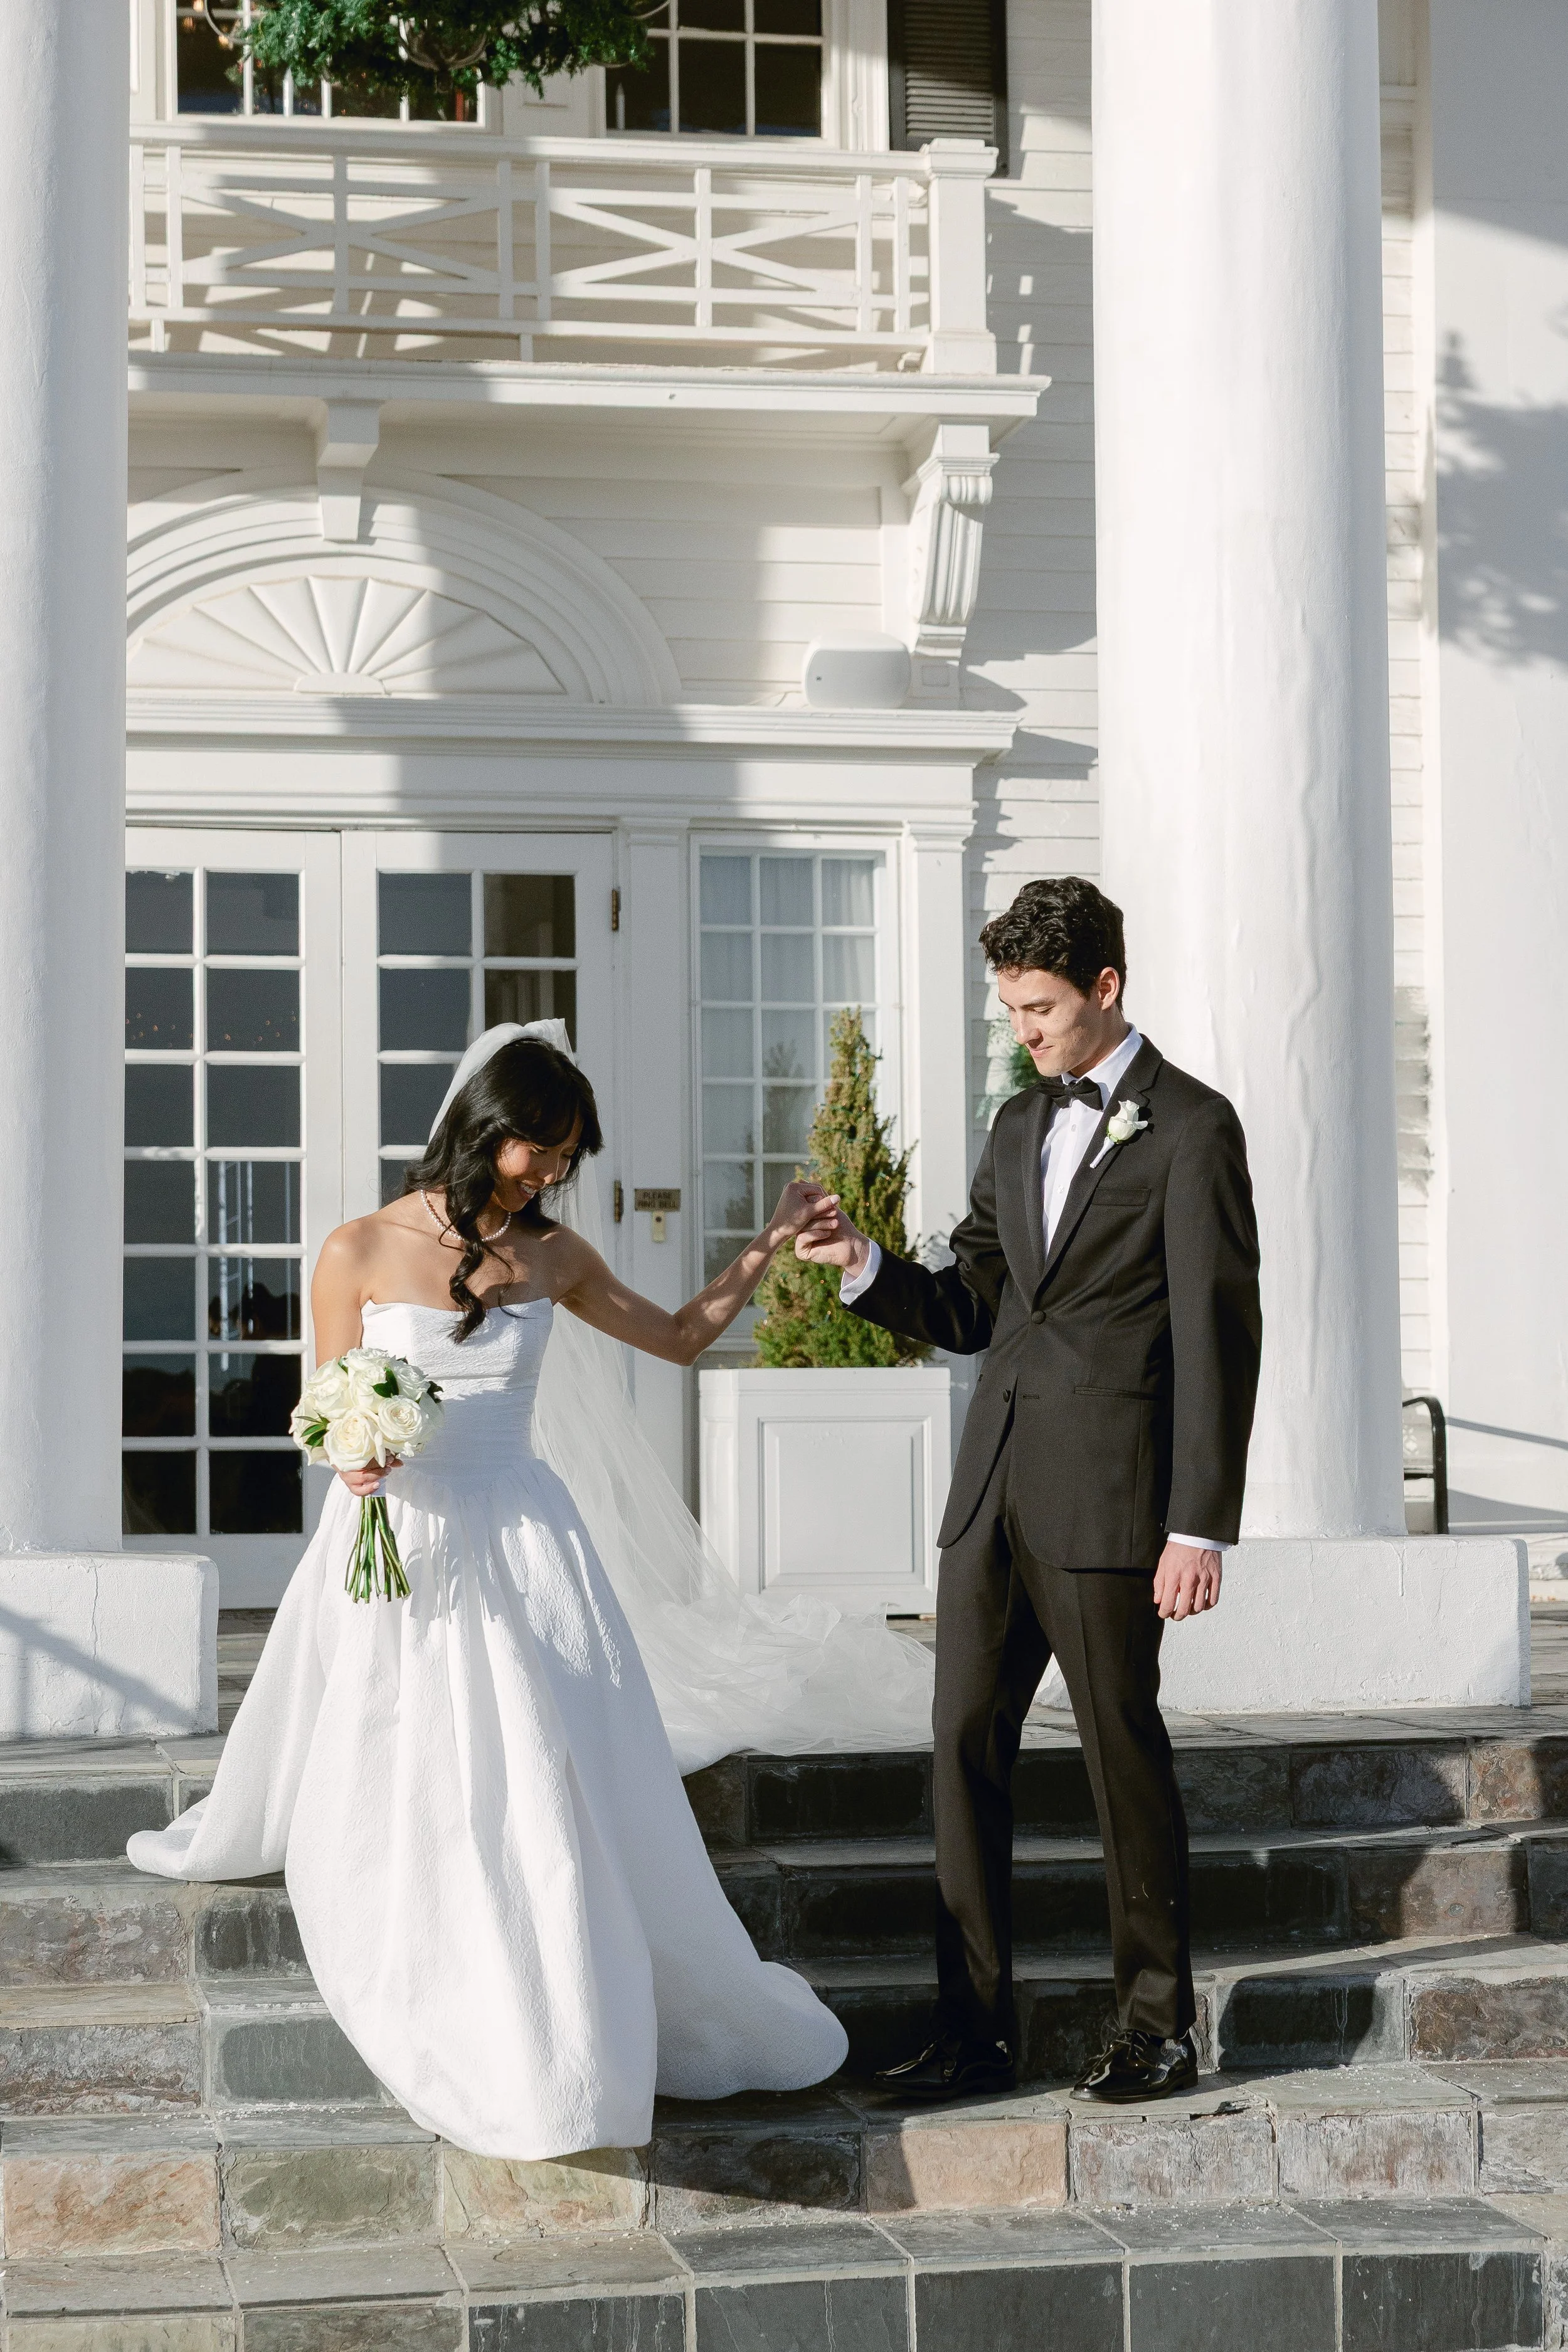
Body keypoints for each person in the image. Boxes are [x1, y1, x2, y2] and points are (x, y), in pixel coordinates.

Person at [128, 1027, 864, 2161]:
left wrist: (764, 1244)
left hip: (524, 1534)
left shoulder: (555, 1256)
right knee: (409, 1751)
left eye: (569, 1158)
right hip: (400, 1534)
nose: (554, 1174)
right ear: (488, 1127)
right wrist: (352, 1453)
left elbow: (674, 1338)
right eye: (543, 1150)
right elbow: (327, 1403)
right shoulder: (356, 1249)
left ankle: (566, 1999)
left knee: (544, 1761)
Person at [795, 877, 1263, 2105]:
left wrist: (1198, 1520)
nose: (1024, 1031)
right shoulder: (1014, 1125)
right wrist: (862, 1265)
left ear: (1105, 987)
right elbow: (970, 1305)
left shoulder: (1194, 1130)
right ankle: (971, 2029)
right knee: (959, 1747)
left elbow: (1221, 1337)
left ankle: (1156, 2026)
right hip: (990, 1489)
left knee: (1120, 1755)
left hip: (1111, 1501)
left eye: (1042, 1007)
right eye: (1009, 1008)